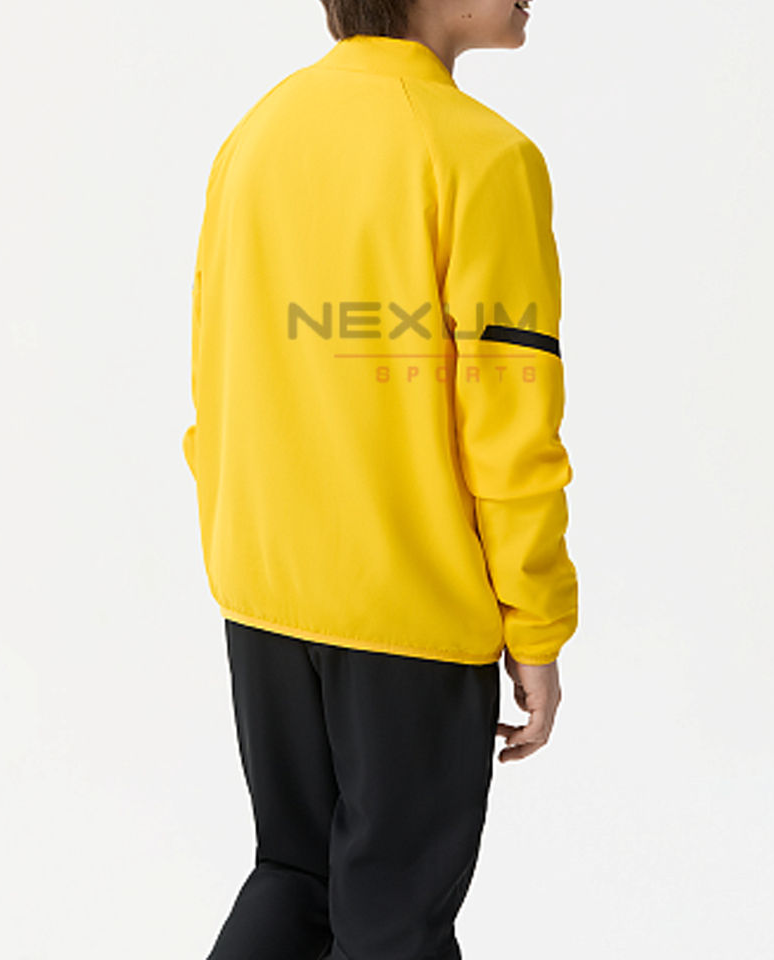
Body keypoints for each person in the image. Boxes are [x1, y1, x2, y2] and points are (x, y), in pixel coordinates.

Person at [182, 1, 579, 957]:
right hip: (409, 605)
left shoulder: (258, 133)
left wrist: (237, 544)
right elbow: (509, 424)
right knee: (395, 921)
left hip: (265, 589)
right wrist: (535, 623)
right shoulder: (484, 159)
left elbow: (216, 367)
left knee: (296, 878)